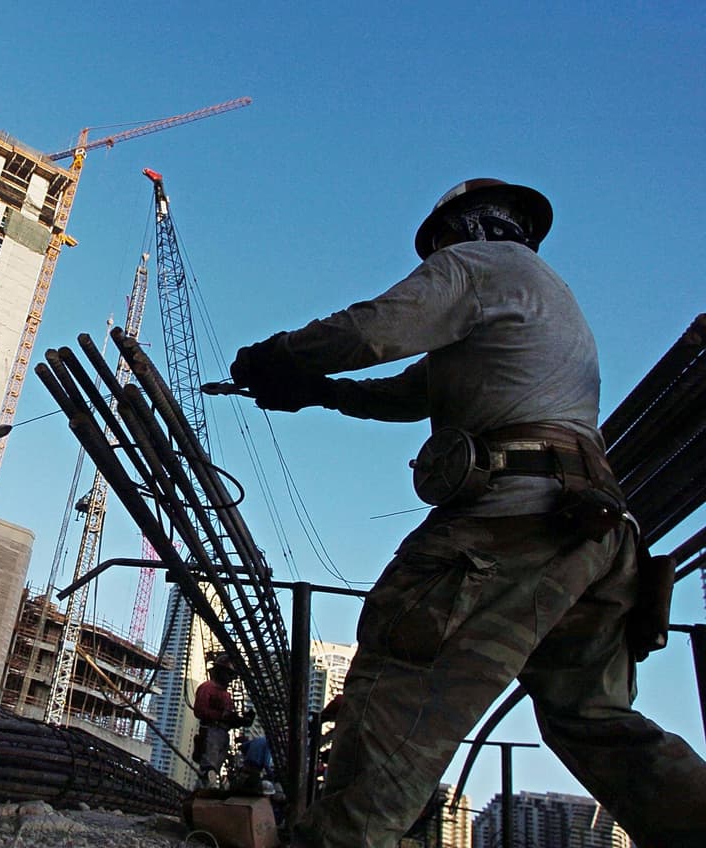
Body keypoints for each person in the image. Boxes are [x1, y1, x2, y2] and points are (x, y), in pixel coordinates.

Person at [227, 179, 706, 848]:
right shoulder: (542, 295)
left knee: (397, 693)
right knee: (593, 720)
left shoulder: (481, 266)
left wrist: (278, 354)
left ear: (457, 232)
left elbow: (372, 329)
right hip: (594, 533)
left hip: (512, 526)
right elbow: (407, 393)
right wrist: (323, 394)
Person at [192, 655, 255, 787]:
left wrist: (242, 720)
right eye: (229, 674)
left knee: (216, 767)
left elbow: (229, 717)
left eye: (232, 676)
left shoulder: (226, 695)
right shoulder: (208, 687)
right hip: (211, 731)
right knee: (209, 769)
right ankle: (203, 788)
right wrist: (222, 716)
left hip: (223, 733)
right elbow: (199, 710)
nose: (230, 679)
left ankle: (208, 789)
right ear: (219, 672)